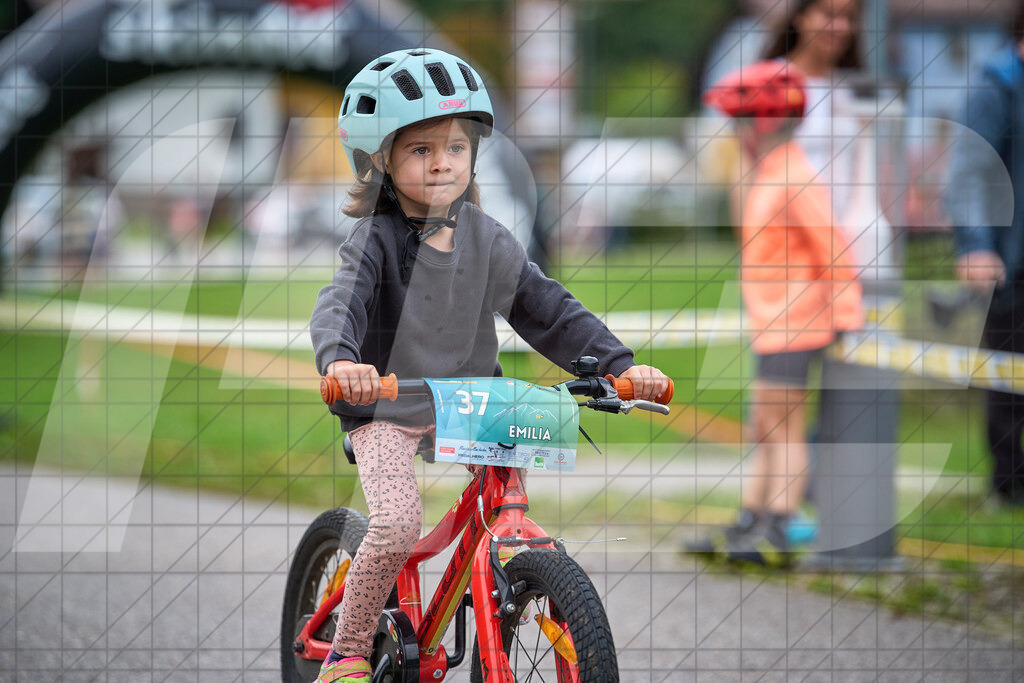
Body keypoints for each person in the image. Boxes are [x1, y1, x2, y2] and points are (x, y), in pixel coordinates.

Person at [309, 48, 671, 682]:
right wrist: (342, 363)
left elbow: (547, 308)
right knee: (396, 525)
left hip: (473, 400)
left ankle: (504, 598)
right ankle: (347, 651)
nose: (443, 161)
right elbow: (340, 305)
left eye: (455, 145)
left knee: (504, 504)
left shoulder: (487, 236)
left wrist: (619, 365)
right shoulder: (375, 239)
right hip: (386, 403)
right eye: (420, 150)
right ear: (379, 161)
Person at [685, 60, 862, 565]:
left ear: (762, 123)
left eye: (741, 121)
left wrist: (846, 315)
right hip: (772, 324)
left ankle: (779, 527)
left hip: (797, 322)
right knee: (766, 423)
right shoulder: (770, 170)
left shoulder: (794, 174)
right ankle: (752, 519)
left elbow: (834, 249)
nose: (734, 131)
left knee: (783, 424)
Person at [946, 6, 1024, 507]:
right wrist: (975, 244)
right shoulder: (998, 82)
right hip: (1011, 264)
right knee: (1009, 382)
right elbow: (970, 169)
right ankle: (1010, 485)